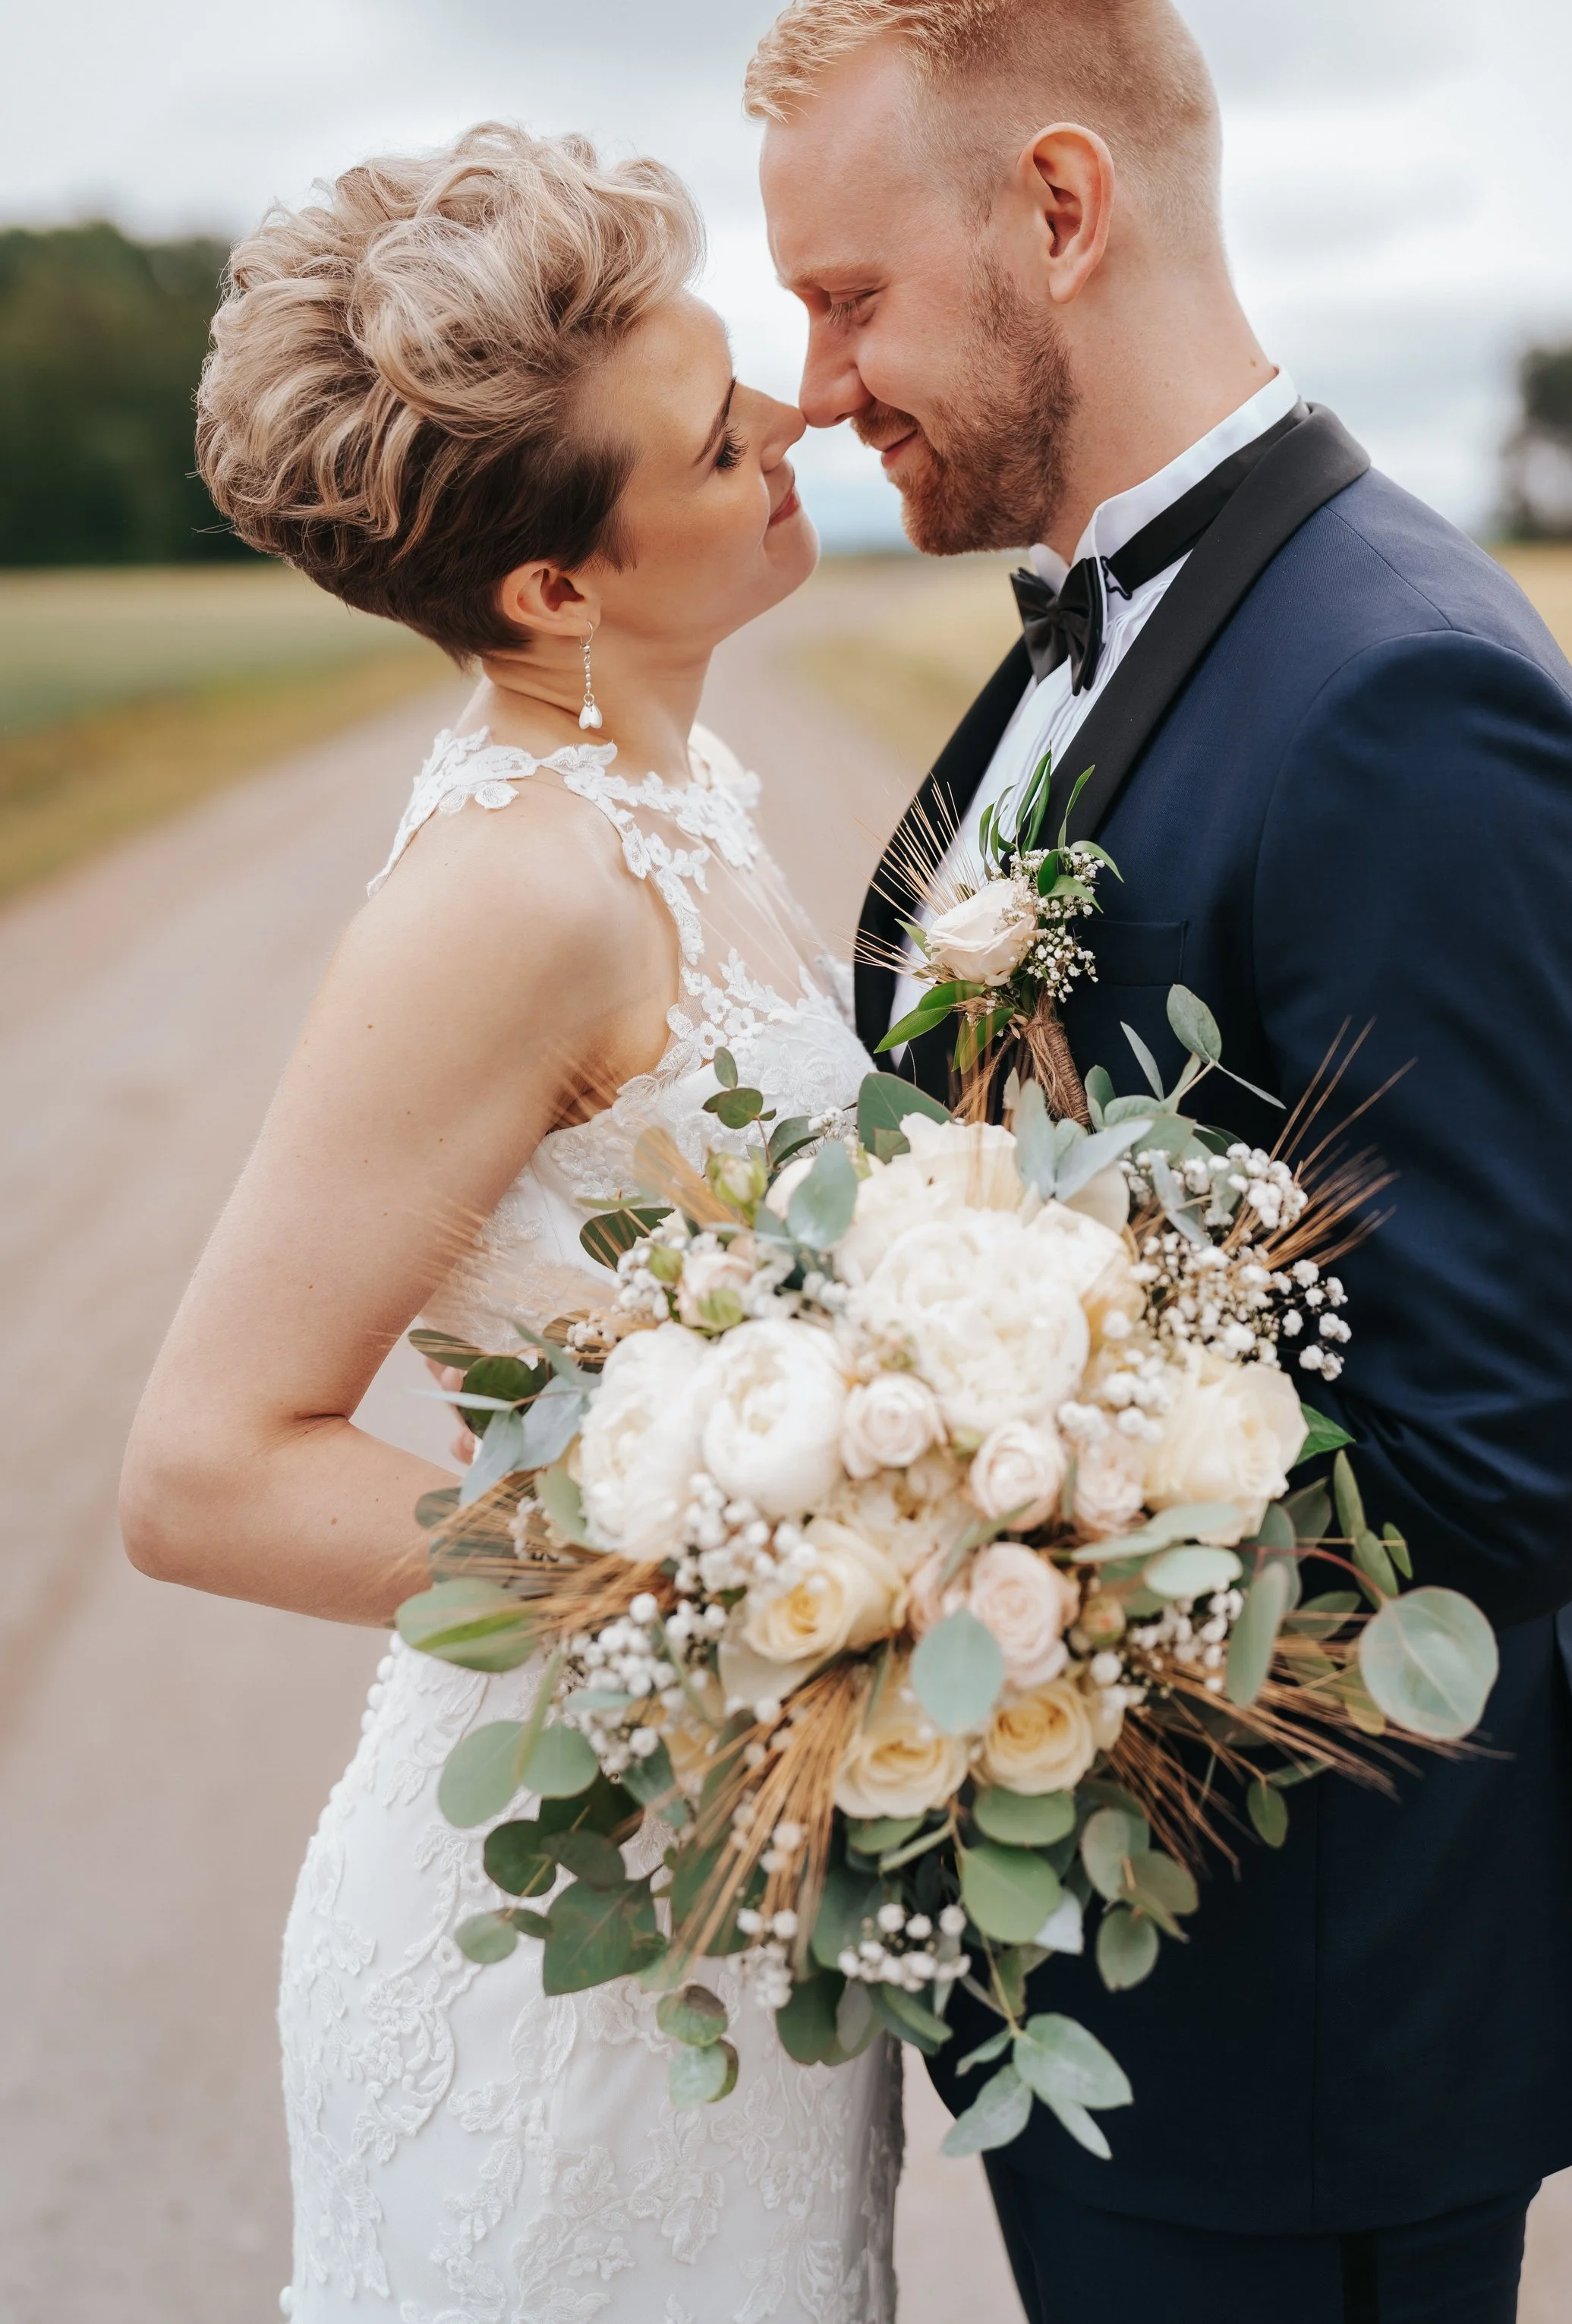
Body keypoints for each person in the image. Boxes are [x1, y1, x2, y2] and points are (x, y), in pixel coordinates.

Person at [748, 0, 1572, 2324]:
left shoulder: (1402, 694)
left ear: (1058, 212)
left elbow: (1490, 1462)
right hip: (1115, 1980)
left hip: (1307, 2014)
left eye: (850, 293)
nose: (810, 380)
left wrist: (961, 1610)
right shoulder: (1113, 642)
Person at [120, 125, 900, 2322]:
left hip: (723, 1894)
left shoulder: (675, 799)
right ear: (553, 589)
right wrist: (713, 1587)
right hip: (559, 1958)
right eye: (718, 436)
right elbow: (202, 1468)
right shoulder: (510, 892)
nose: (795, 426)